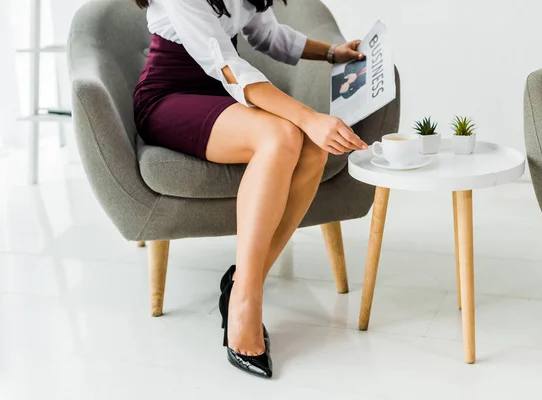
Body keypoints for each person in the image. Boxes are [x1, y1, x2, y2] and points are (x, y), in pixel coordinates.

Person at [132, 0, 367, 379]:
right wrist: (309, 117)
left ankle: (242, 280)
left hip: (220, 96)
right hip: (168, 97)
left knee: (311, 150)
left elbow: (267, 34)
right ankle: (246, 301)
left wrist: (330, 53)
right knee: (283, 135)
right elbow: (227, 64)